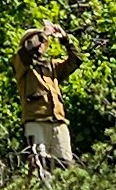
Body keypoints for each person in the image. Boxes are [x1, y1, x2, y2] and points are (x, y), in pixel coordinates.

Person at [12, 19, 80, 171]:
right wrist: (44, 33)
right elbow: (26, 51)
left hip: (58, 122)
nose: (41, 43)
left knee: (65, 166)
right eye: (38, 40)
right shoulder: (21, 63)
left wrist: (65, 39)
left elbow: (76, 60)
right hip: (36, 121)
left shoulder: (52, 66)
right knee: (38, 164)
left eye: (43, 40)